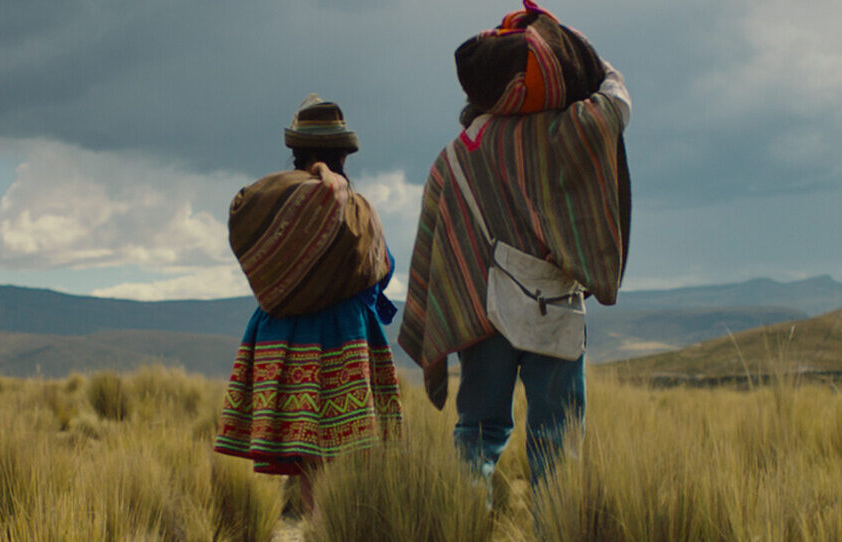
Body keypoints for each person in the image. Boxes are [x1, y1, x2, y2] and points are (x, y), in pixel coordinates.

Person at [398, 2, 631, 499]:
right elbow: (617, 105)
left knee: (477, 434)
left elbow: (435, 251)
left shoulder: (455, 157)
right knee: (558, 441)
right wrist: (591, 61)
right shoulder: (567, 131)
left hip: (480, 312)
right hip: (557, 308)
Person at [214, 95, 402, 515]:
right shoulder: (359, 209)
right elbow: (381, 270)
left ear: (295, 152)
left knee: (309, 456)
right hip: (344, 338)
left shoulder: (273, 205)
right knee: (342, 449)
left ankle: (316, 529)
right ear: (343, 155)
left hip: (284, 338)